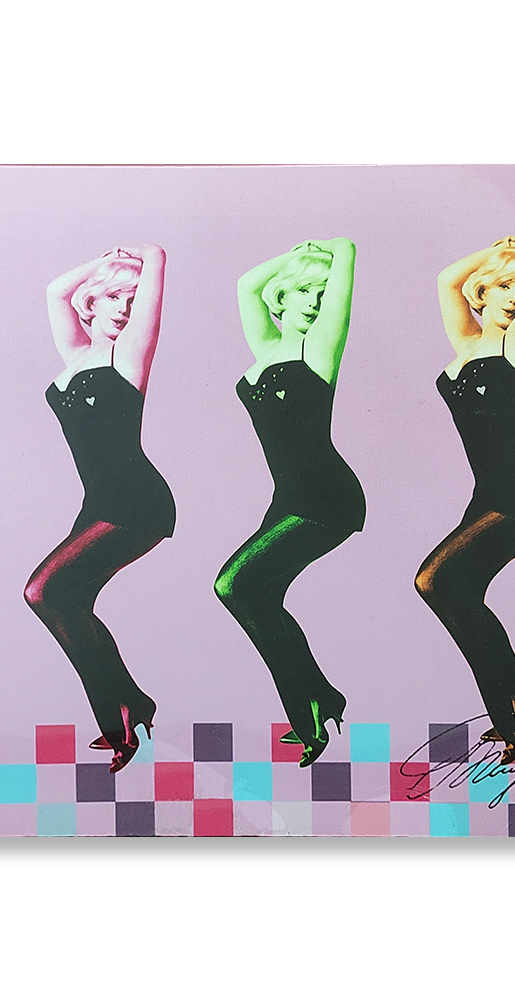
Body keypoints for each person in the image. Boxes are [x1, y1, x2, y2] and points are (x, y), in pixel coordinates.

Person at [24, 246, 175, 774]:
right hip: (98, 505)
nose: (125, 308)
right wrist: (104, 261)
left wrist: (147, 258)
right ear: (91, 301)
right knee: (72, 605)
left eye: (134, 298)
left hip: (136, 503)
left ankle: (116, 721)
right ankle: (133, 702)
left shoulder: (129, 355)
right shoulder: (76, 355)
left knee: (43, 592)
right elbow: (54, 291)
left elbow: (156, 268)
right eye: (114, 296)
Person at [415, 236, 515, 764]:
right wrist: (494, 251)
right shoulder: (467, 342)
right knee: (458, 595)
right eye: (505, 285)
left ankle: (513, 708)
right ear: (483, 290)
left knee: (434, 581)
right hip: (489, 496)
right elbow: (446, 280)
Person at [215, 240, 365, 767]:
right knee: (260, 599)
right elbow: (246, 285)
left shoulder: (320, 347)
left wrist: (328, 252)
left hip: (325, 497)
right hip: (288, 499)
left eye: (323, 293)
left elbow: (346, 254)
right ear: (282, 295)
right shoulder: (266, 347)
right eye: (304, 290)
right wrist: (296, 256)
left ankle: (309, 710)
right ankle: (318, 699)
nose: (316, 302)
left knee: (234, 586)